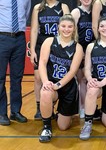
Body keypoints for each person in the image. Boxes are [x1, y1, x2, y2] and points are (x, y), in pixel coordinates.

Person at [38, 14, 83, 142]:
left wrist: (58, 85)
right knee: (45, 93)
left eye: (70, 27)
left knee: (63, 127)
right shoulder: (49, 41)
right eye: (63, 26)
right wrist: (46, 81)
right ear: (58, 27)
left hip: (68, 87)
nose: (66, 29)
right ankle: (46, 127)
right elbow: (42, 62)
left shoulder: (78, 48)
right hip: (51, 82)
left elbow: (73, 71)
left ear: (74, 29)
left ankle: (60, 114)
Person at [79, 17, 106, 140]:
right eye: (102, 26)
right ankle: (88, 123)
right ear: (98, 28)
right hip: (96, 80)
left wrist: (103, 83)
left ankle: (99, 111)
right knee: (92, 90)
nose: (105, 28)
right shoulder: (91, 46)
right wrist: (90, 79)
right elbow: (87, 68)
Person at [30, 0, 70, 120]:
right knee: (38, 77)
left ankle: (53, 105)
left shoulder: (63, 7)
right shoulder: (37, 8)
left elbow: (69, 26)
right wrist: (33, 50)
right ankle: (39, 106)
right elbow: (34, 30)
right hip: (41, 45)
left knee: (55, 76)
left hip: (58, 46)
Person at [0, 0, 31, 126]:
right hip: (1, 37)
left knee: (17, 78)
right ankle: (1, 113)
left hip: (19, 38)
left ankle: (16, 111)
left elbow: (25, 13)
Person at [71, 0, 94, 119]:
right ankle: (83, 107)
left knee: (87, 79)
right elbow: (71, 32)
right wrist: (79, 51)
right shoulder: (76, 12)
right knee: (81, 80)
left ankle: (89, 107)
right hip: (81, 51)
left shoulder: (94, 12)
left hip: (91, 51)